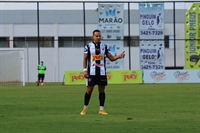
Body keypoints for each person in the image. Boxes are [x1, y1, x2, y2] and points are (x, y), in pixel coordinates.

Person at [80, 29, 125, 115]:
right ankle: (85, 108)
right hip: (91, 72)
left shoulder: (104, 46)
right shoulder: (88, 47)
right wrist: (85, 70)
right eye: (96, 36)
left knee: (102, 90)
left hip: (102, 73)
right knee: (89, 90)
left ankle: (101, 109)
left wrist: (119, 56)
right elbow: (85, 58)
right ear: (93, 36)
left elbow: (111, 58)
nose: (98, 37)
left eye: (99, 36)